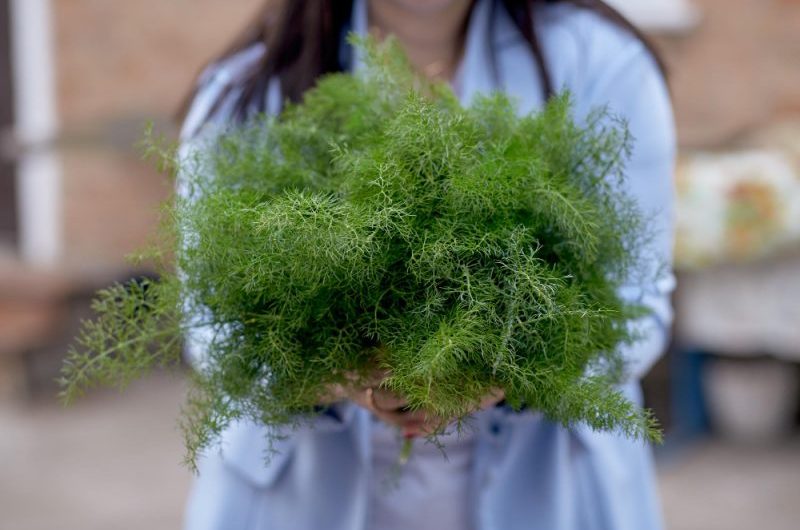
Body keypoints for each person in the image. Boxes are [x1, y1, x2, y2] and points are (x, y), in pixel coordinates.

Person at [179, 1, 676, 529]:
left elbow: (635, 305)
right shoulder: (249, 89)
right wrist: (340, 378)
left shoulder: (600, 61)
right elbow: (213, 328)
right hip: (302, 500)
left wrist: (507, 371)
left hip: (553, 496)